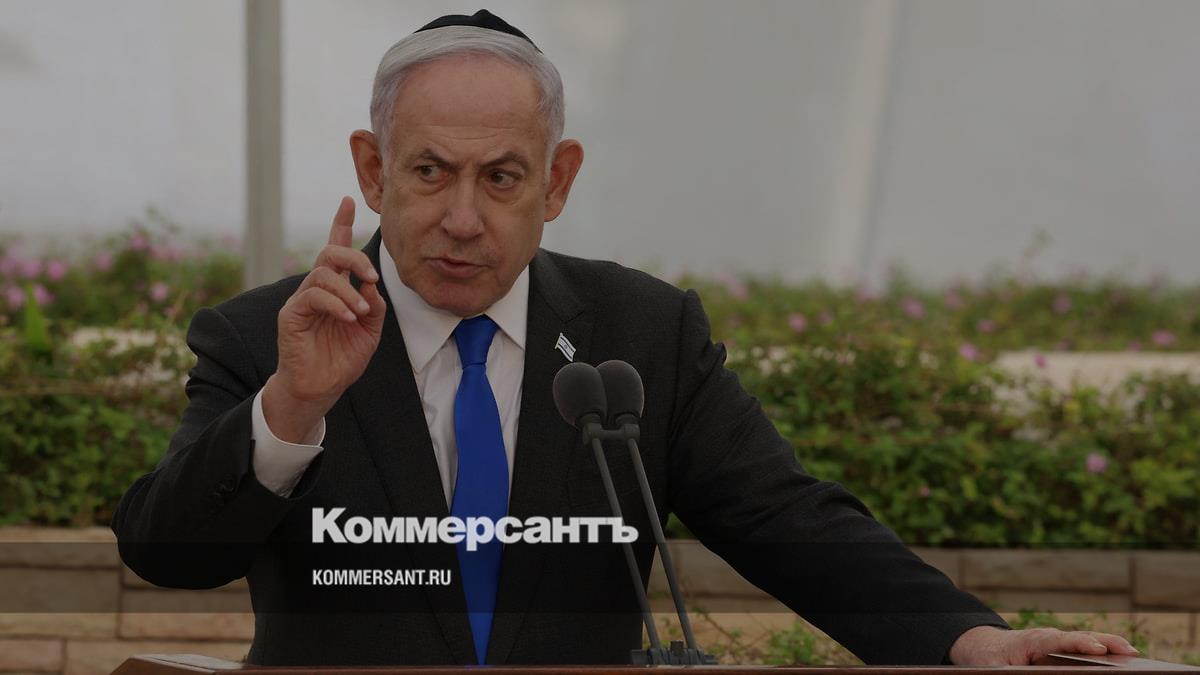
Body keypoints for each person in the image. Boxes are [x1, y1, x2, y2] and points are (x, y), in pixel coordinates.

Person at [112, 9, 1139, 667]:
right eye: (429, 172)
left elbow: (788, 520)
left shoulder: (641, 333)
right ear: (373, 169)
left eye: (501, 177)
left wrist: (966, 639)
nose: (462, 217)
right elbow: (165, 551)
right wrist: (292, 407)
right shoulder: (268, 338)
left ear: (557, 181)